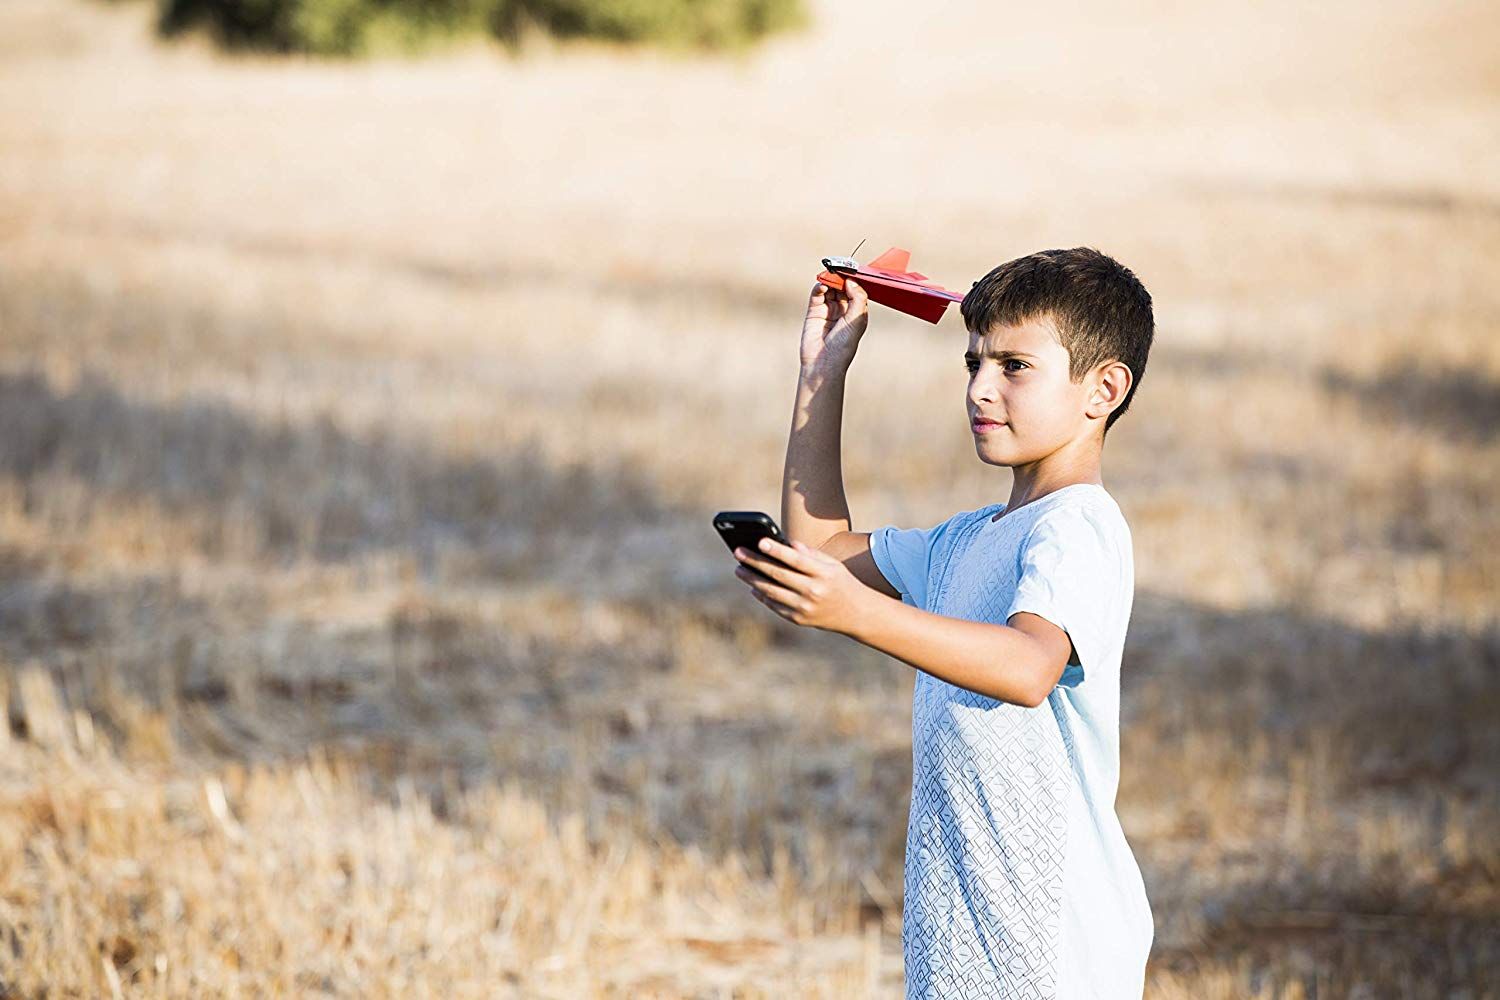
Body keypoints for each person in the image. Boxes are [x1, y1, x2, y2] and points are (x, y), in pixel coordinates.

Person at [730, 247, 1156, 998]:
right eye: (973, 363)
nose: (981, 389)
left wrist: (857, 613)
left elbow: (1029, 667)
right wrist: (822, 373)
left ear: (1104, 389)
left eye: (1015, 366)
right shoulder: (965, 541)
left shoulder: (1079, 525)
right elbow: (821, 550)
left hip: (1052, 952)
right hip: (960, 936)